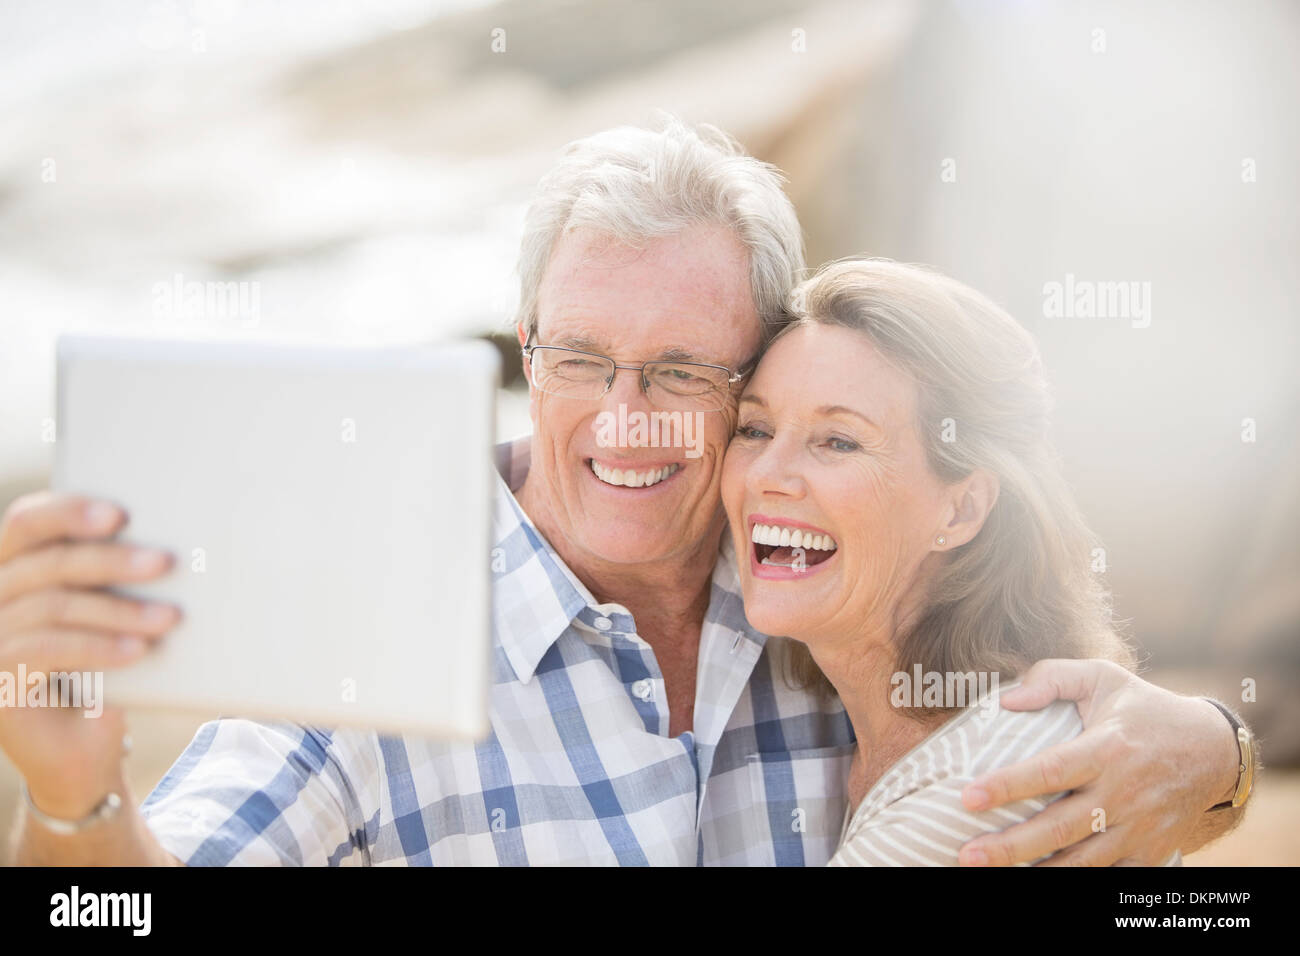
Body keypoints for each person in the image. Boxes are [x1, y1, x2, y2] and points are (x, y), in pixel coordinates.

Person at [2, 119, 1249, 866]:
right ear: (526, 349)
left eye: (684, 371)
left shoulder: (827, 596)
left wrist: (1216, 754)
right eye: (582, 358)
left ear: (754, 371)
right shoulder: (363, 635)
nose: (624, 414)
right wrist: (73, 801)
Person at [722, 258, 1181, 865]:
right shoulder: (889, 730)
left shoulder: (992, 779)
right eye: (754, 428)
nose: (767, 475)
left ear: (961, 510)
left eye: (838, 441)